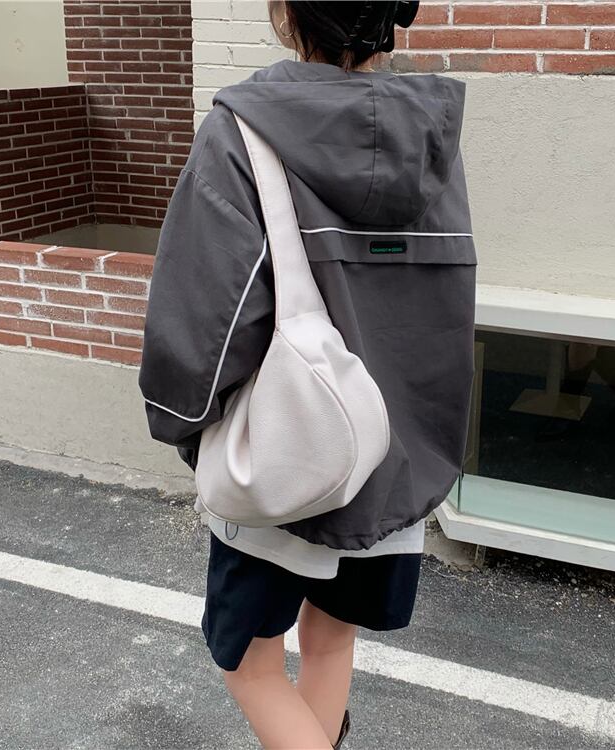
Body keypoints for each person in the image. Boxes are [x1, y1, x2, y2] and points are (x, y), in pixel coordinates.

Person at [138, 2, 477, 747]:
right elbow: (444, 306)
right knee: (332, 640)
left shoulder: (245, 130)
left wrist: (184, 424)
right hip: (396, 456)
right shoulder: (433, 137)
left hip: (287, 450)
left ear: (289, 13)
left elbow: (203, 314)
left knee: (250, 664)